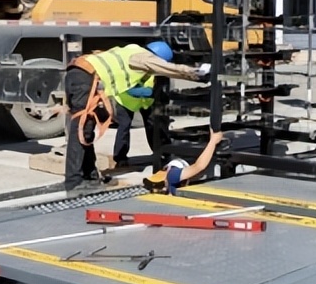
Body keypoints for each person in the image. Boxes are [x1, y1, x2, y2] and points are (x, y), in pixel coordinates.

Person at [65, 40, 207, 192]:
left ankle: (89, 176)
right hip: (85, 77)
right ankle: (74, 181)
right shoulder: (144, 57)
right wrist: (197, 72)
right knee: (81, 130)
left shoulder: (132, 50)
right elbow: (169, 68)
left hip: (79, 74)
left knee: (86, 131)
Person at [143, 129, 225, 195]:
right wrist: (213, 141)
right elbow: (199, 166)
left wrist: (213, 141)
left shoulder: (172, 175)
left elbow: (199, 166)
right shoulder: (172, 175)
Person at [111, 75, 164, 168]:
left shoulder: (153, 70)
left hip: (146, 101)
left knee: (153, 125)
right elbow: (130, 89)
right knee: (124, 125)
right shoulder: (127, 70)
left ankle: (162, 152)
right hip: (126, 100)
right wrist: (150, 92)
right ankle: (120, 158)